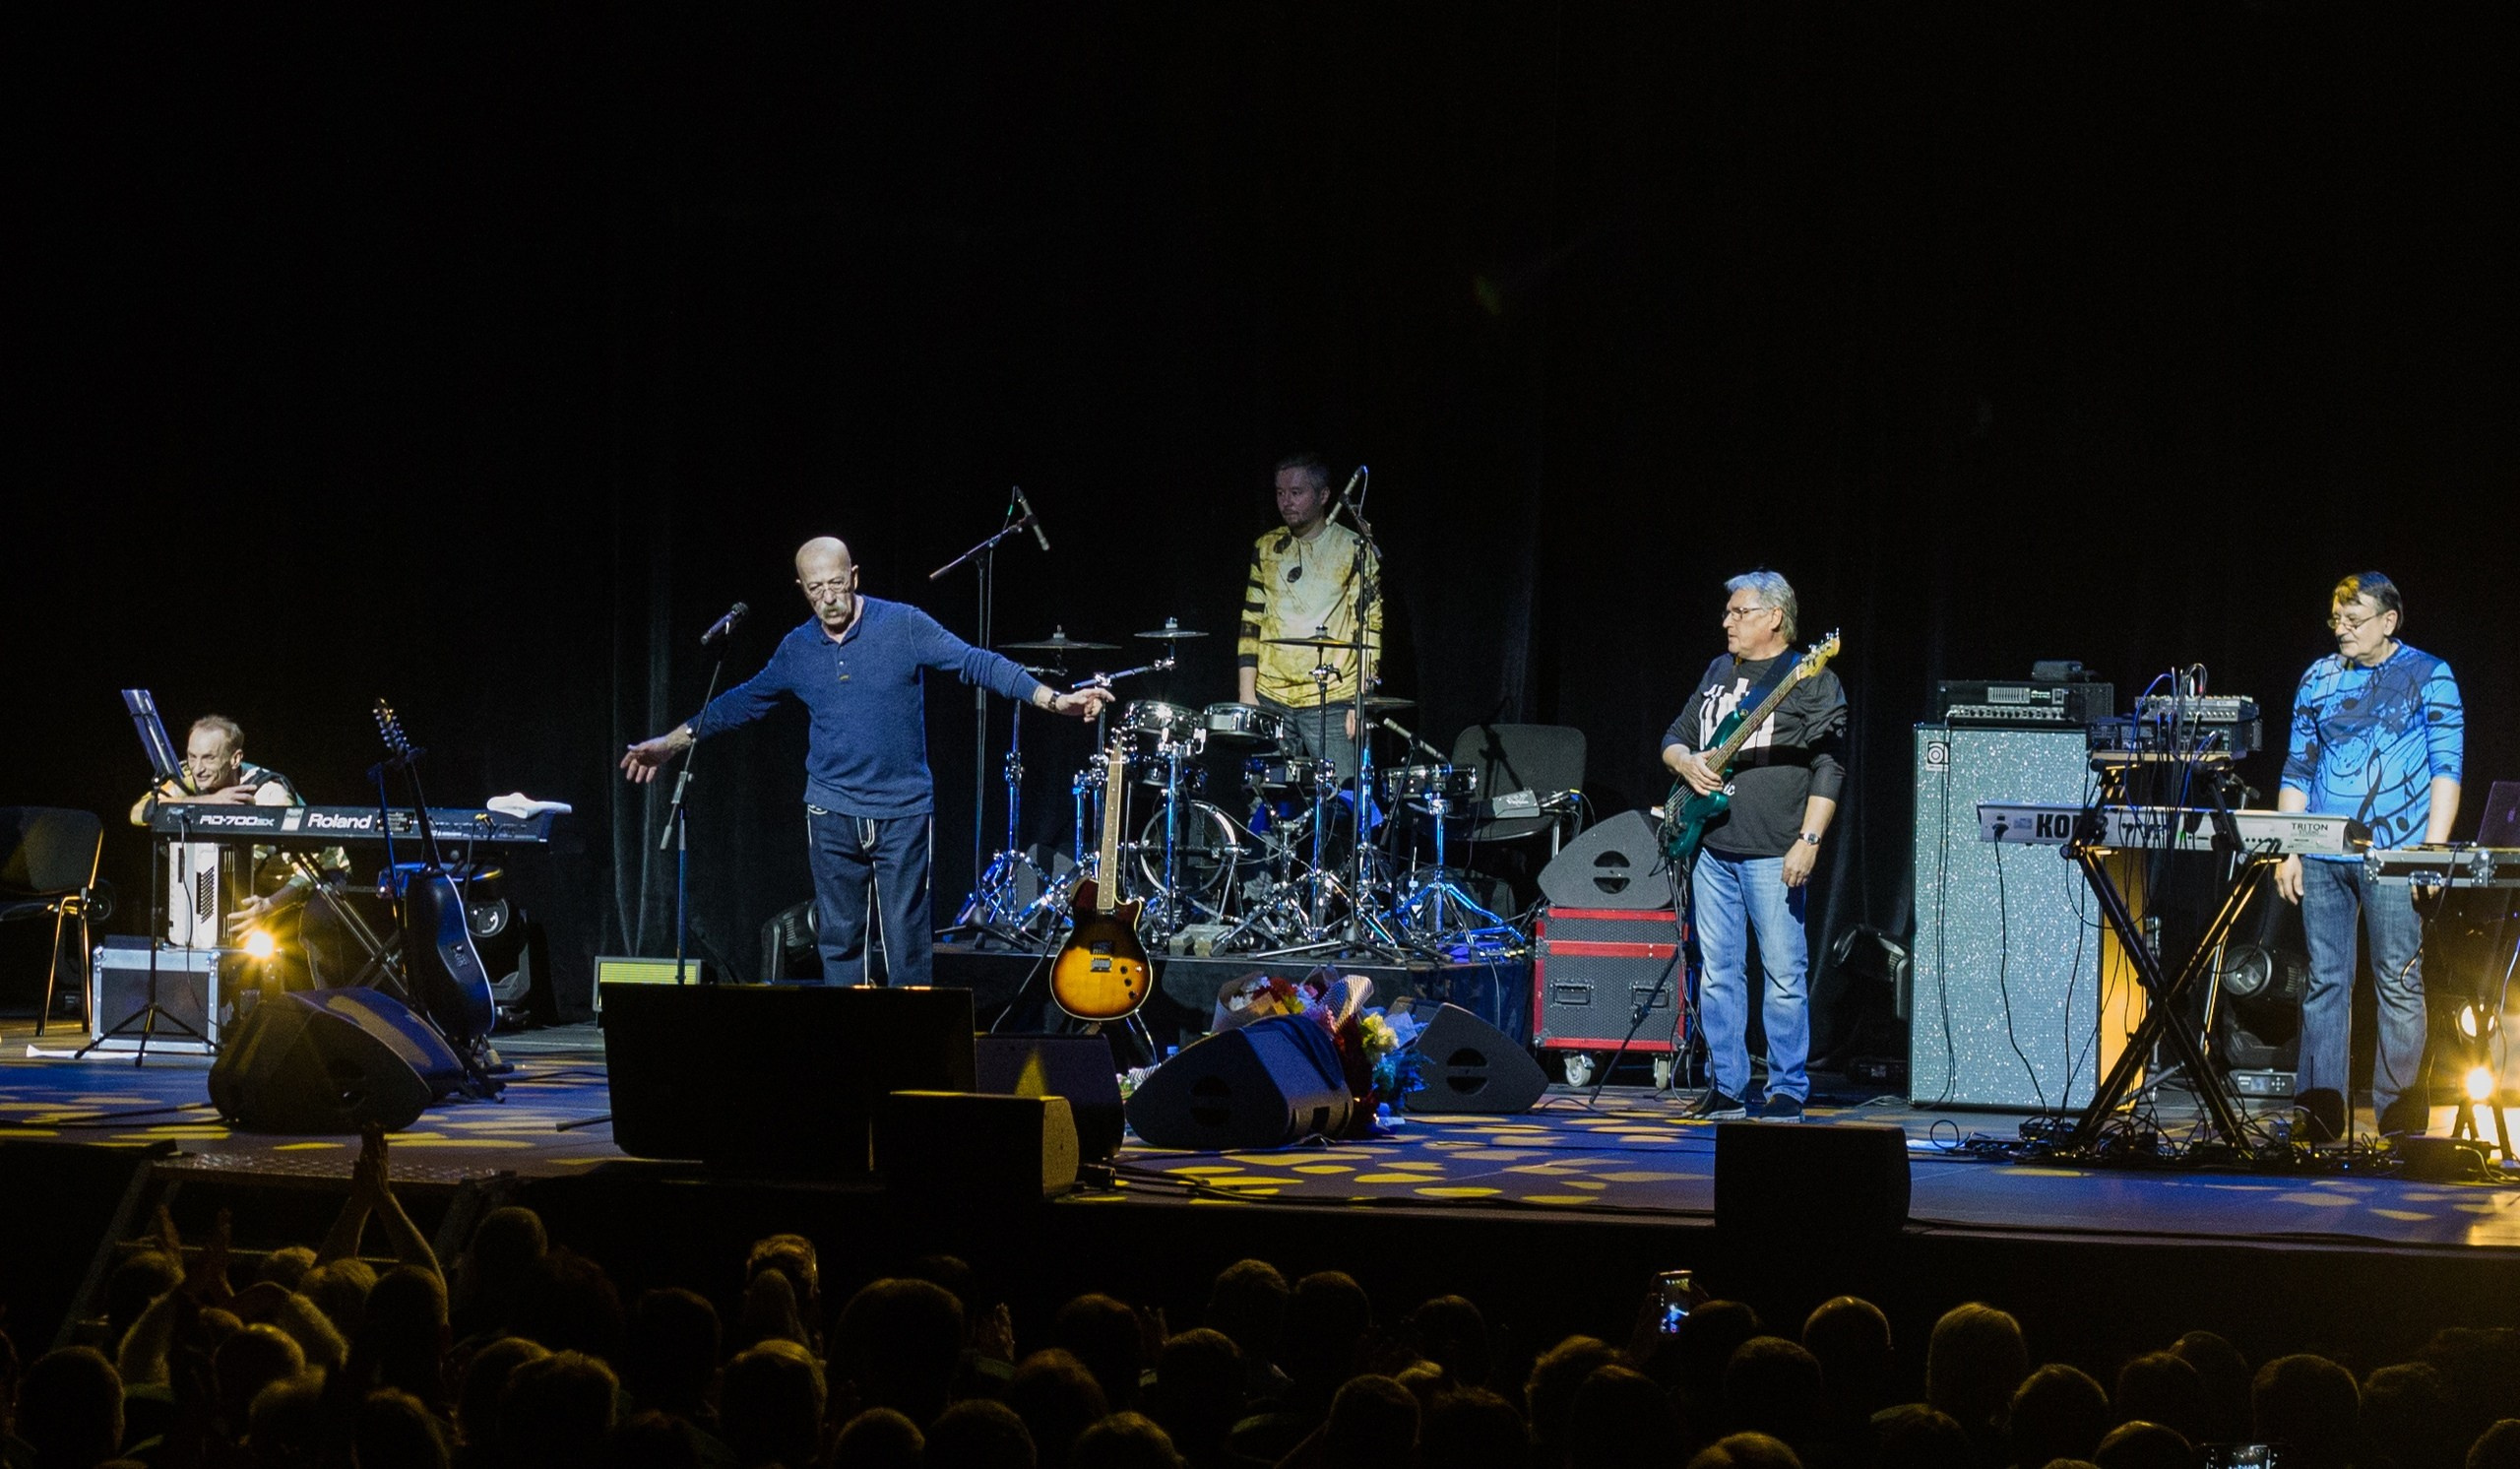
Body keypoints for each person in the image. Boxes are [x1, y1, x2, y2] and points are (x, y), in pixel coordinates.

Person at [622, 537, 1108, 985]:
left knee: (906, 939)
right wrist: (671, 743)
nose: (829, 597)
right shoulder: (797, 648)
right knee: (839, 938)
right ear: (802, 588)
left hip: (902, 810)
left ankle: (913, 1050)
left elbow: (975, 662)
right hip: (831, 811)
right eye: (816, 589)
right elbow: (742, 701)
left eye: (836, 583)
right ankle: (849, 1049)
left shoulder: (902, 626)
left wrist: (1053, 699)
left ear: (854, 576)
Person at [2275, 572, 2463, 1139]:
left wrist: (2429, 851)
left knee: (2398, 981)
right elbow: (2297, 770)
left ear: (2389, 620)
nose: (2343, 630)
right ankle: (2319, 1114)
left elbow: (2445, 769)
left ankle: (2401, 1121)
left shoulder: (2430, 675)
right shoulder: (2317, 678)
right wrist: (2290, 847)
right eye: (2337, 620)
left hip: (2396, 854)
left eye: (2355, 620)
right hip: (2325, 855)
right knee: (2325, 980)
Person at [1661, 571, 1845, 1122]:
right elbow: (1674, 735)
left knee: (1784, 974)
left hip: (1773, 848)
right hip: (1712, 845)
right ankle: (1729, 1084)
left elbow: (1829, 766)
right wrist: (1685, 762)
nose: (1727, 621)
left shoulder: (1809, 678)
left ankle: (1787, 1087)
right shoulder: (1720, 670)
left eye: (1739, 612)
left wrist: (1808, 841)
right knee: (1717, 971)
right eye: (1728, 612)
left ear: (1774, 618)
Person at [127, 715, 349, 978]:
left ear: (235, 759)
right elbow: (139, 813)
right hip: (253, 878)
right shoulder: (191, 776)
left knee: (316, 924)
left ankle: (335, 1008)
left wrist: (270, 905)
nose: (197, 768)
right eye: (192, 756)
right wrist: (212, 802)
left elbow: (312, 866)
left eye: (209, 758)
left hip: (314, 876)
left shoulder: (270, 795)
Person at [1235, 454, 1380, 783]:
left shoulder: (1354, 548)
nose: (1286, 502)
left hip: (1331, 698)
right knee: (1266, 802)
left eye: (1296, 493)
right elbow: (1250, 621)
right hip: (1271, 695)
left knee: (1341, 799)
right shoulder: (1267, 547)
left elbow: (1369, 627)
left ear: (1324, 495)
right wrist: (1247, 692)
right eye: (1280, 493)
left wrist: (1362, 698)